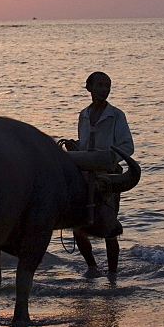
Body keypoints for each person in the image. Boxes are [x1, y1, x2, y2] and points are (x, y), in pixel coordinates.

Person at [63, 71, 134, 276]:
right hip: (85, 176)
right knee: (78, 225)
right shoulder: (83, 115)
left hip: (108, 177)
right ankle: (92, 267)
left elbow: (127, 146)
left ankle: (112, 274)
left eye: (108, 86)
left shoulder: (116, 115)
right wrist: (76, 149)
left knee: (109, 226)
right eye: (100, 85)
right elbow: (84, 146)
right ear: (89, 88)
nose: (104, 90)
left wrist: (109, 158)